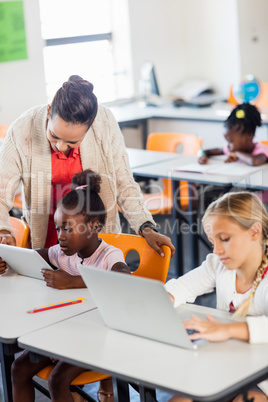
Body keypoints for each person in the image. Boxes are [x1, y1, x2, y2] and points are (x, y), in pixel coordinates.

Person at [0, 75, 175, 258]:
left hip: (96, 250)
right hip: (45, 245)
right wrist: (3, 231)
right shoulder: (22, 130)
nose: (60, 146)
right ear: (49, 111)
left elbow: (124, 184)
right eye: (54, 135)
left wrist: (145, 226)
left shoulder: (105, 122)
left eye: (72, 142)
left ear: (90, 127)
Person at [10, 169, 130, 402]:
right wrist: (9, 260)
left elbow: (123, 281)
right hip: (63, 332)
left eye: (67, 228)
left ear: (94, 226)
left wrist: (74, 282)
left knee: (57, 380)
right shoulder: (62, 253)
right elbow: (33, 256)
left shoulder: (109, 255)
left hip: (97, 337)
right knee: (18, 369)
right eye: (57, 228)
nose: (60, 236)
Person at [164, 191, 268, 402]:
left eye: (225, 239)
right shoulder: (218, 265)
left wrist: (226, 329)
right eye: (213, 242)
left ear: (255, 231)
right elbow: (181, 287)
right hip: (229, 367)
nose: (217, 250)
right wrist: (162, 299)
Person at [198, 103, 268, 166]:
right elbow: (206, 152)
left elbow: (253, 161)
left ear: (249, 136)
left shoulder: (262, 151)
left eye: (231, 141)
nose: (227, 145)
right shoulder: (229, 149)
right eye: (227, 141)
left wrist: (236, 153)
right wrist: (203, 156)